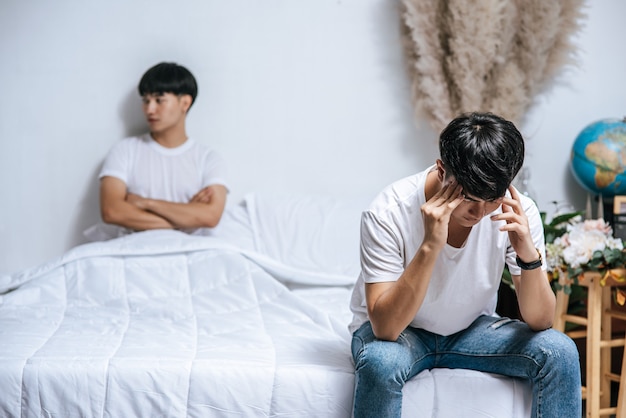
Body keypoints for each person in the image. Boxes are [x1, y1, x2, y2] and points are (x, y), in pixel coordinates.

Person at [348, 112, 581, 417]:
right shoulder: (388, 212)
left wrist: (527, 253)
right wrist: (431, 243)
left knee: (559, 351)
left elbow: (540, 320)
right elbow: (386, 328)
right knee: (382, 361)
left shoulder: (518, 212)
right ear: (441, 169)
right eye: (469, 197)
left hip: (470, 331)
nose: (479, 211)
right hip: (403, 332)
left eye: (492, 198)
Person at [85, 62, 228, 240]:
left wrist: (145, 203)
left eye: (159, 100)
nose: (149, 109)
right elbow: (111, 211)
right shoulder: (125, 150)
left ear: (185, 102)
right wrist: (186, 217)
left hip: (192, 251)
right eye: (146, 101)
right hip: (134, 249)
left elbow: (210, 216)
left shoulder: (208, 158)